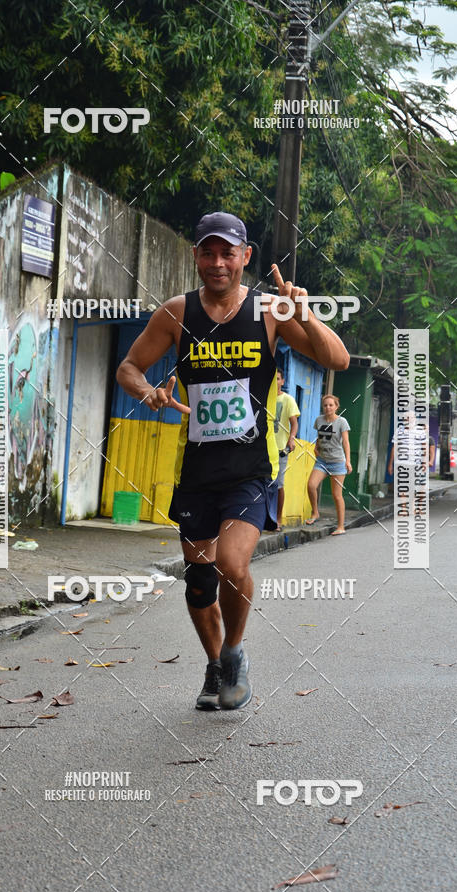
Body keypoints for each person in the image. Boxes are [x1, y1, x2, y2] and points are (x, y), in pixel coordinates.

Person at [117, 211, 349, 711]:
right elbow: (129, 365)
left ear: (246, 258)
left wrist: (302, 312)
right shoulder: (176, 314)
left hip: (251, 468)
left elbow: (337, 361)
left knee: (230, 562)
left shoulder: (270, 312)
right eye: (208, 252)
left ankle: (236, 653)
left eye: (229, 253)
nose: (218, 262)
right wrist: (146, 391)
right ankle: (215, 663)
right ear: (196, 256)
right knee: (199, 583)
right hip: (197, 471)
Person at [305, 394, 352, 535]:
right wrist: (316, 446)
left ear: (336, 406)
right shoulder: (319, 420)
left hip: (337, 462)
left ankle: (340, 526)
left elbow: (346, 443)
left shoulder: (342, 422)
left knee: (336, 495)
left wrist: (348, 461)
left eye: (331, 405)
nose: (328, 407)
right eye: (325, 405)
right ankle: (315, 512)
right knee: (311, 485)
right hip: (322, 461)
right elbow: (321, 436)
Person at [272, 368, 300, 531]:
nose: (275, 382)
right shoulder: (264, 398)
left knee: (279, 485)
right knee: (263, 485)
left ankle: (278, 519)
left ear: (282, 381)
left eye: (277, 379)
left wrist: (291, 439)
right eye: (272, 379)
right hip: (264, 449)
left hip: (281, 449)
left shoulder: (287, 399)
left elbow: (294, 423)